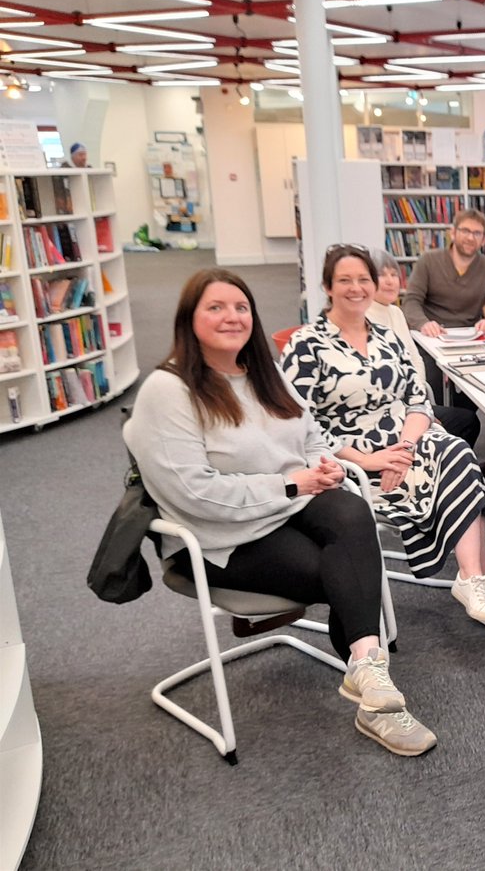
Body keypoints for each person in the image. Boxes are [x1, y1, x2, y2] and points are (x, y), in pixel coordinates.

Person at [123, 268, 436, 757]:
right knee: (339, 571)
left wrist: (323, 468)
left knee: (353, 514)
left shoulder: (264, 373)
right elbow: (193, 493)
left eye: (241, 307)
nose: (232, 317)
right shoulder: (168, 391)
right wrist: (293, 482)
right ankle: (379, 698)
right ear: (189, 318)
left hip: (288, 505)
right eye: (216, 307)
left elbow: (309, 438)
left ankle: (368, 674)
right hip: (219, 537)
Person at [282, 244, 485, 638]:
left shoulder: (387, 337)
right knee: (460, 465)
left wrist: (404, 450)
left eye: (363, 279)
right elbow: (300, 425)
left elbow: (418, 400)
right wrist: (370, 461)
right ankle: (483, 587)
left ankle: (474, 582)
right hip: (352, 457)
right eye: (345, 280)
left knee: (456, 449)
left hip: (405, 442)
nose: (356, 287)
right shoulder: (306, 345)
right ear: (328, 286)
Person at [366, 246, 482, 448]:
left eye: (394, 274)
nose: (390, 281)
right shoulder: (363, 317)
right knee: (465, 422)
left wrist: (419, 404)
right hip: (385, 411)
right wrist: (415, 411)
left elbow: (414, 359)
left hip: (410, 402)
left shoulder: (395, 312)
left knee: (467, 419)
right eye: (381, 275)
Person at [402, 209, 485, 405]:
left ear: (484, 239)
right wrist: (423, 323)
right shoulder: (429, 261)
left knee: (476, 393)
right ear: (452, 232)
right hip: (431, 339)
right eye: (465, 231)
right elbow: (410, 301)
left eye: (477, 233)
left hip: (469, 339)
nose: (470, 237)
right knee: (432, 383)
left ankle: (461, 424)